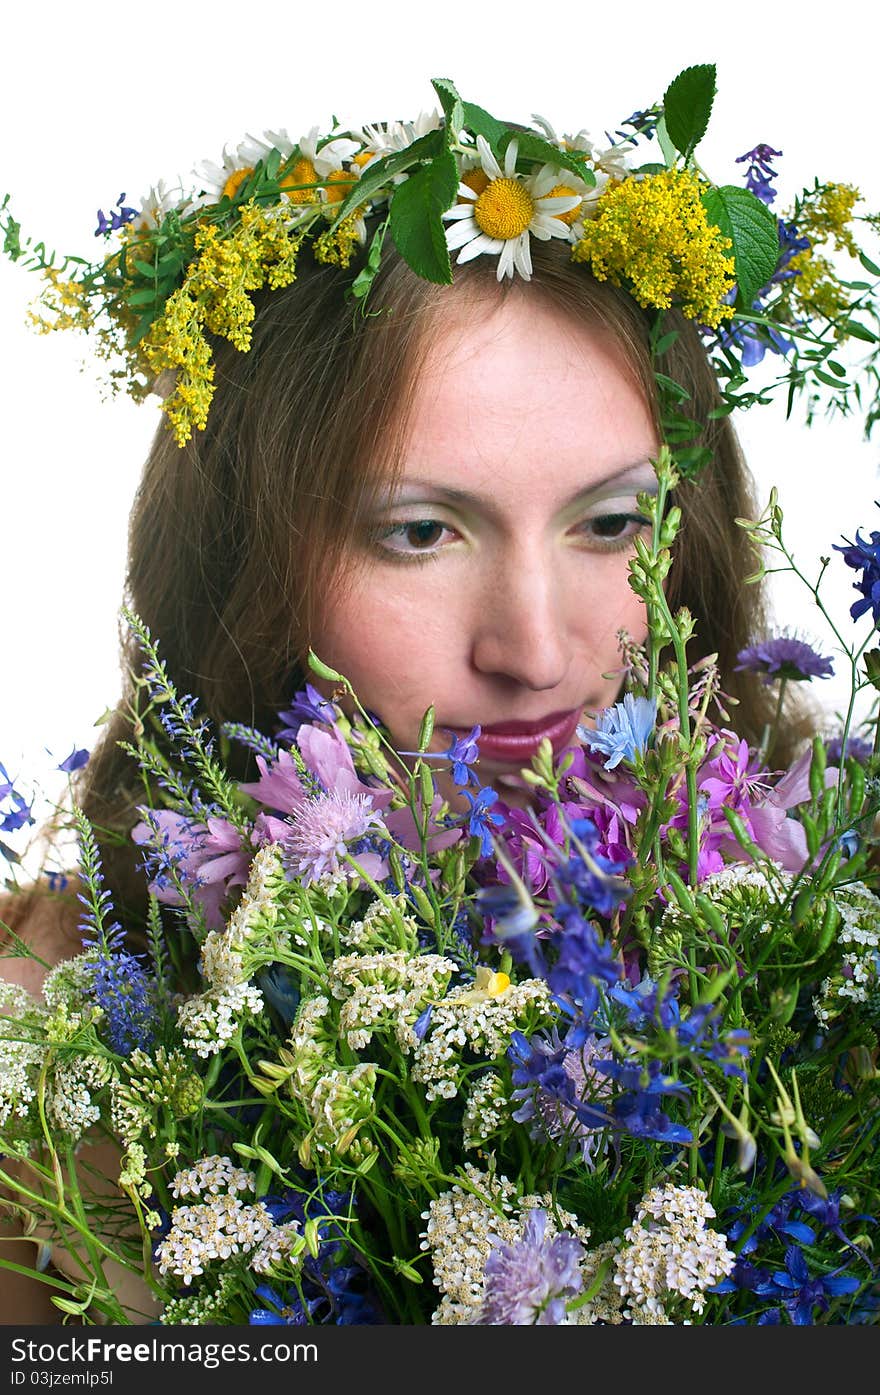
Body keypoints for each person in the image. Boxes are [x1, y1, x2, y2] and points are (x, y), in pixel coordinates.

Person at [0, 77, 863, 1323]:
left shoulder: (840, 937)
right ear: (245, 558)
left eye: (610, 522)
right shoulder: (49, 1045)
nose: (534, 650)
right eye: (418, 532)